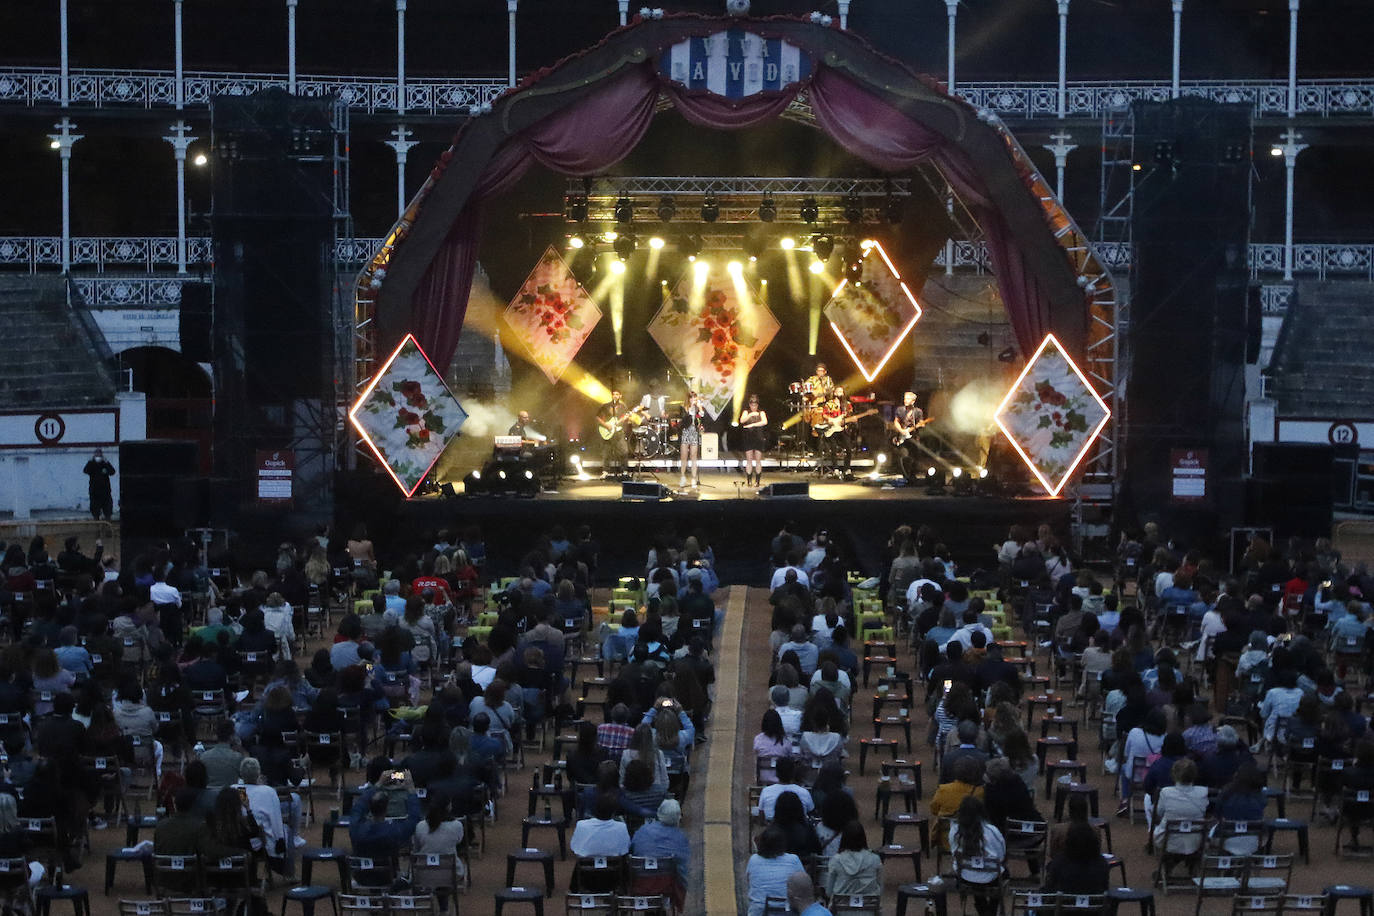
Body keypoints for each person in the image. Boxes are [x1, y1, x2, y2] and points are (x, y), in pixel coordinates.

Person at [948, 796, 1006, 916]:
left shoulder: (954, 831)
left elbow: (953, 854)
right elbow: (1001, 855)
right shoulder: (992, 830)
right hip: (991, 879)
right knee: (1003, 872)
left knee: (975, 879)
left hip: (965, 877)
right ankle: (991, 910)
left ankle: (983, 910)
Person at [631, 798, 690, 894]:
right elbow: (683, 867)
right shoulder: (680, 838)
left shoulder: (643, 830)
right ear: (678, 818)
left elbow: (632, 847)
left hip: (640, 880)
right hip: (666, 884)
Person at [746, 825, 806, 916]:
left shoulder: (754, 859)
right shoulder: (793, 860)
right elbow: (803, 883)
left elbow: (749, 880)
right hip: (787, 911)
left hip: (758, 912)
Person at [1043, 821, 1109, 894]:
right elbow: (1105, 887)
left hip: (1065, 903)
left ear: (1069, 841)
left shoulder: (1059, 863)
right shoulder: (1102, 863)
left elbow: (1049, 889)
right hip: (1095, 904)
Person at [826, 820, 882, 896]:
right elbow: (880, 889)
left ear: (844, 838)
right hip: (868, 906)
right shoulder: (875, 859)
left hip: (841, 906)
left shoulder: (836, 860)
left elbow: (828, 892)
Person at [891, 391, 927, 482]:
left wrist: (921, 425)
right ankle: (905, 474)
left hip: (913, 436)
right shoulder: (900, 410)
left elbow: (920, 422)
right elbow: (896, 421)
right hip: (902, 436)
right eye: (905, 398)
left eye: (908, 399)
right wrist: (901, 431)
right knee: (904, 455)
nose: (905, 400)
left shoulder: (918, 411)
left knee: (916, 455)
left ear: (913, 401)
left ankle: (912, 474)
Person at [598, 389, 633, 478]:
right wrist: (606, 425)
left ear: (620, 396)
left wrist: (627, 419)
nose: (615, 396)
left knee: (624, 451)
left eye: (617, 394)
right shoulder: (606, 406)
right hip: (608, 431)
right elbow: (597, 417)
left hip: (618, 432)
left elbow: (625, 418)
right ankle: (605, 471)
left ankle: (624, 471)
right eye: (614, 394)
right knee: (606, 452)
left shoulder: (623, 407)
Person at [738, 393, 768, 489]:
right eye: (752, 405)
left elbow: (764, 422)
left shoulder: (761, 412)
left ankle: (758, 481)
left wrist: (751, 425)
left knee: (758, 460)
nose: (753, 407)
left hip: (758, 437)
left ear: (757, 405)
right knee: (749, 460)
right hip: (748, 437)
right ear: (749, 405)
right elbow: (742, 420)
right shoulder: (746, 412)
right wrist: (751, 414)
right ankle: (749, 480)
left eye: (755, 405)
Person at [679, 390, 705, 489]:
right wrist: (690, 410)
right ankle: (682, 476)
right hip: (685, 432)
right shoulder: (683, 407)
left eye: (695, 397)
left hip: (694, 432)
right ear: (688, 399)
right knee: (684, 456)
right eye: (692, 398)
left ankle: (694, 478)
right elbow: (684, 420)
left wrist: (699, 407)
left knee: (694, 456)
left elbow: (702, 416)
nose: (693, 400)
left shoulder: (697, 408)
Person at [83, 448, 116, 520]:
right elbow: (85, 470)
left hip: (105, 491)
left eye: (99, 454)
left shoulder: (104, 464)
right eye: (96, 454)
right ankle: (96, 521)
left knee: (107, 510)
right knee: (95, 510)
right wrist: (90, 461)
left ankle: (107, 523)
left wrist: (107, 462)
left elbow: (112, 472)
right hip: (94, 491)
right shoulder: (91, 464)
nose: (98, 456)